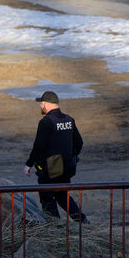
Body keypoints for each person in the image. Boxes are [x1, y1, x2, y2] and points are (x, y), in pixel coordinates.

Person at [24, 90, 87, 223]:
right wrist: (71, 157)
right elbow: (79, 143)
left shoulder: (46, 122)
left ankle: (54, 229)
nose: (40, 106)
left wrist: (29, 164)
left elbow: (38, 146)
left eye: (41, 103)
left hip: (51, 167)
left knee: (47, 198)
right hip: (67, 166)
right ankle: (83, 222)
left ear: (47, 104)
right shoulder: (69, 119)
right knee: (63, 195)